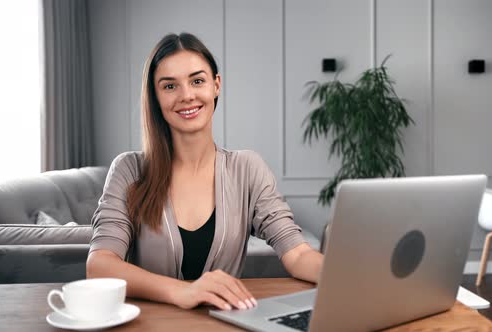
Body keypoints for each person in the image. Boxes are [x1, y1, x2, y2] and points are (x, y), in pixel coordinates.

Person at [86, 32, 324, 312]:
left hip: (224, 324)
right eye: (170, 86)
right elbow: (100, 265)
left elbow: (297, 253)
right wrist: (182, 292)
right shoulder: (129, 170)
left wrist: (351, 275)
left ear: (216, 85)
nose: (187, 96)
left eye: (197, 81)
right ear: (155, 96)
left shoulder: (247, 168)